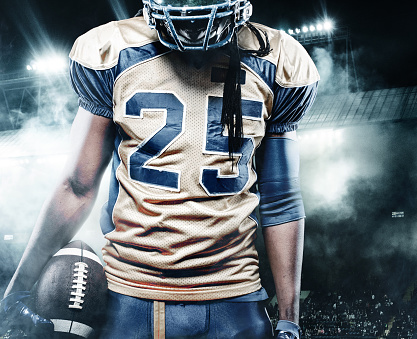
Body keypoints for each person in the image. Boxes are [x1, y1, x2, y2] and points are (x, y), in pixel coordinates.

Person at [1, 0, 319, 338]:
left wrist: (289, 317)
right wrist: (16, 289)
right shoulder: (115, 51)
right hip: (133, 290)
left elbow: (281, 200)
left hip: (233, 293)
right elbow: (77, 186)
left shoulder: (277, 58)